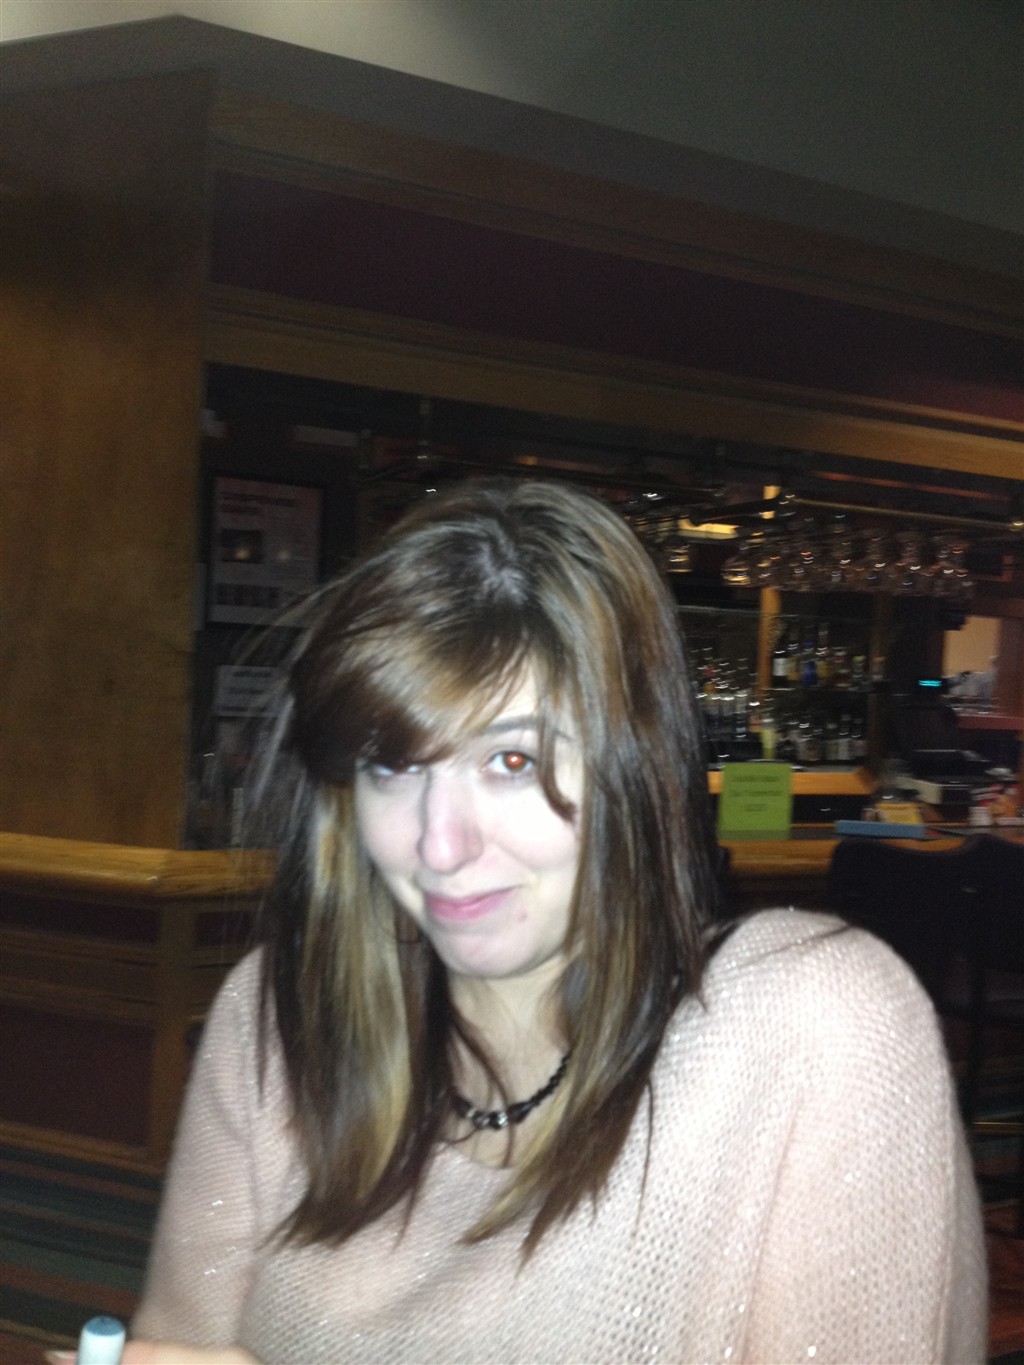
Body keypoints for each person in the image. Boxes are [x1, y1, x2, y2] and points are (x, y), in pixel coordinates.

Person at [125, 479, 985, 1364]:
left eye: (511, 760)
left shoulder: (809, 1031)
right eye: (393, 765)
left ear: (633, 768)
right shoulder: (278, 1019)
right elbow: (176, 1343)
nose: (440, 844)